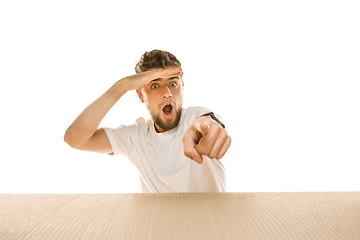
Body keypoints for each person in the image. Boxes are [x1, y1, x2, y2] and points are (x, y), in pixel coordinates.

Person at [64, 49, 231, 193]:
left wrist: (207, 129)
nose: (167, 93)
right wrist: (121, 86)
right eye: (155, 86)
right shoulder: (135, 137)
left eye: (173, 83)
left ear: (182, 86)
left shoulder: (196, 115)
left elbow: (208, 121)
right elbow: (75, 139)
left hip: (211, 224)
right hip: (160, 227)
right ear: (140, 95)